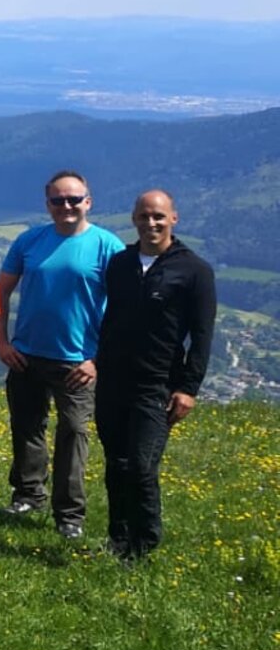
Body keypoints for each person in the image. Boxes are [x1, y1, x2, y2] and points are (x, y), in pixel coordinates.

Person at [0, 170, 125, 539]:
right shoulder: (29, 241)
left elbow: (123, 309)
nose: (66, 206)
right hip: (27, 353)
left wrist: (98, 359)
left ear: (88, 201)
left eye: (73, 199)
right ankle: (28, 494)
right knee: (27, 427)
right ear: (47, 203)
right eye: (58, 200)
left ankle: (69, 515)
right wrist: (2, 343)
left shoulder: (108, 246)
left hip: (78, 360)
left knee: (74, 432)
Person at [95, 190, 216, 561]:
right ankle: (118, 538)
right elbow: (110, 319)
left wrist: (188, 388)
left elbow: (202, 335)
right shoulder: (120, 264)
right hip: (113, 380)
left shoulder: (194, 270)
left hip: (158, 383)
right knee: (116, 462)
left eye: (159, 217)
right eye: (145, 216)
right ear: (133, 219)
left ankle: (144, 543)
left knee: (142, 466)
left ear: (173, 219)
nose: (151, 223)